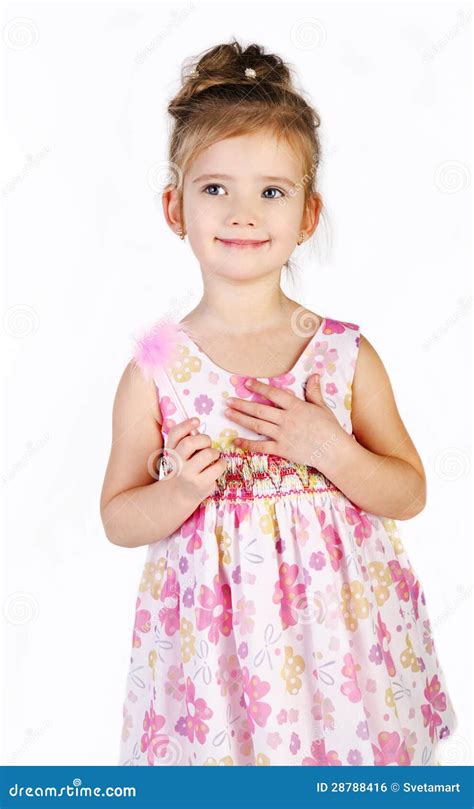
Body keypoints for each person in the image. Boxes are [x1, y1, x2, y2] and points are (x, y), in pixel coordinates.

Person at [100, 39, 457, 766]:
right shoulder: (157, 366)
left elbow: (409, 490)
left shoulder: (342, 353)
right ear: (175, 207)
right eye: (214, 189)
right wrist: (179, 489)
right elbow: (117, 515)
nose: (242, 212)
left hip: (342, 647)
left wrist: (329, 448)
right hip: (214, 656)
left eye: (272, 190)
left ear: (307, 212)